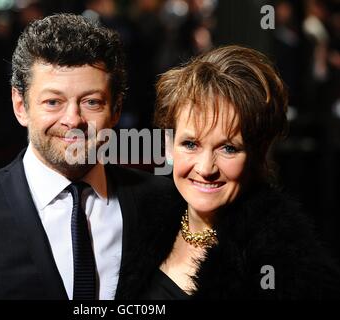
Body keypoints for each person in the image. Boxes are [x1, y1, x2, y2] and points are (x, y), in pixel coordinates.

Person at [0, 13, 181, 300]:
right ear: (21, 106)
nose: (73, 120)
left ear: (116, 109)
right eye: (53, 102)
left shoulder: (164, 201)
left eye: (91, 102)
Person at [116, 45, 340, 299]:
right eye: (190, 144)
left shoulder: (285, 262)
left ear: (257, 153)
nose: (205, 168)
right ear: (169, 145)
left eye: (228, 148)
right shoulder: (136, 219)